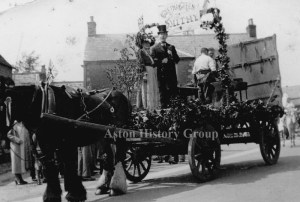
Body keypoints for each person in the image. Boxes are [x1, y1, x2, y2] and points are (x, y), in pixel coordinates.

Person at [151, 25, 180, 108]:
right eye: (161, 34)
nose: (162, 36)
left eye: (164, 34)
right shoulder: (154, 48)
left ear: (166, 35)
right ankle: (164, 113)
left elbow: (177, 60)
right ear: (158, 36)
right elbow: (152, 62)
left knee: (173, 94)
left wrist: (172, 55)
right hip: (162, 75)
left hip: (171, 75)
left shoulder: (171, 47)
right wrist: (161, 61)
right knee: (163, 95)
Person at [136, 31, 160, 111]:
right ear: (142, 44)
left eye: (148, 43)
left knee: (153, 87)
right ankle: (147, 106)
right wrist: (144, 73)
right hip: (146, 71)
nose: (147, 44)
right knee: (147, 88)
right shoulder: (141, 52)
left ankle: (154, 106)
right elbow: (140, 63)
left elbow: (154, 62)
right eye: (145, 43)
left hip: (152, 71)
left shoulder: (149, 52)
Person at [7, 119, 33, 185]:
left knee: (20, 164)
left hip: (22, 147)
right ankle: (18, 179)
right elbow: (9, 135)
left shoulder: (23, 125)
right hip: (16, 147)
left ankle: (19, 179)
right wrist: (17, 140)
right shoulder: (14, 125)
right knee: (16, 163)